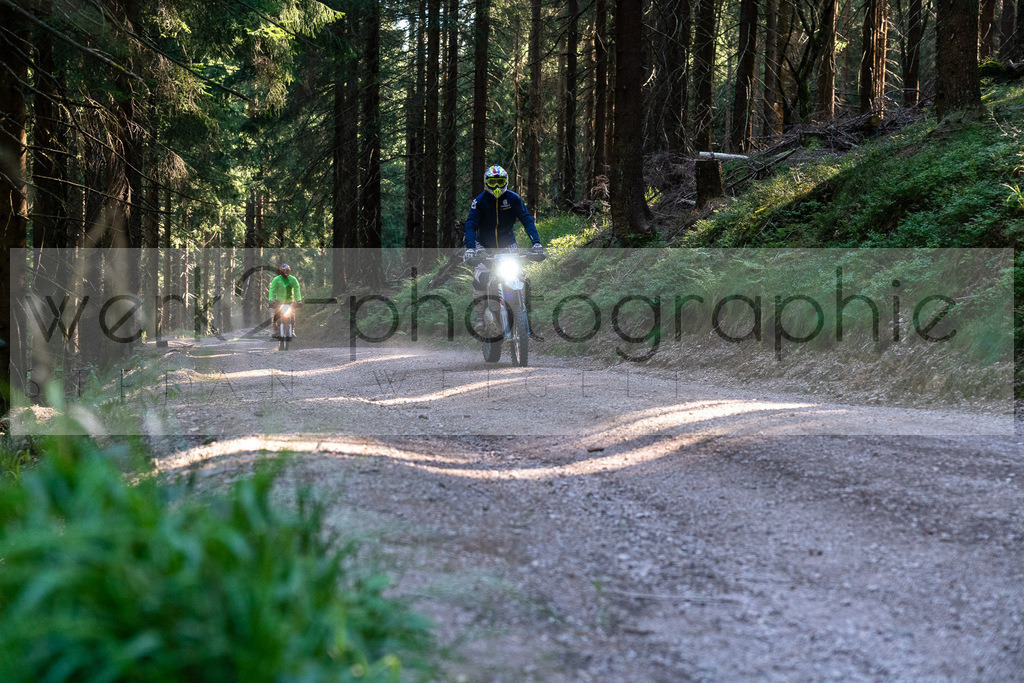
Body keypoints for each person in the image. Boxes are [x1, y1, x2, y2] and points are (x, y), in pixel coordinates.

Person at [463, 165, 544, 331]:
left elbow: (527, 219)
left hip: (508, 243)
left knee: (520, 276)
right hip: (483, 245)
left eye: (500, 181)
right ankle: (479, 314)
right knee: (482, 275)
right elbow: (471, 224)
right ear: (487, 183)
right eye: (493, 182)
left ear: (506, 182)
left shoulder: (513, 199)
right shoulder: (479, 201)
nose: (497, 186)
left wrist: (536, 243)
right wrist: (470, 248)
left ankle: (523, 311)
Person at [268, 264, 302, 338]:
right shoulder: (276, 279)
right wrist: (270, 300)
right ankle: (275, 330)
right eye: (283, 271)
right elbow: (272, 290)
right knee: (276, 315)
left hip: (290, 301)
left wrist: (299, 300)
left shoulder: (293, 279)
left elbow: (297, 289)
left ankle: (292, 330)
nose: (285, 273)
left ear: (289, 271)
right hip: (279, 301)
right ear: (281, 272)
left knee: (292, 315)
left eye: (287, 271)